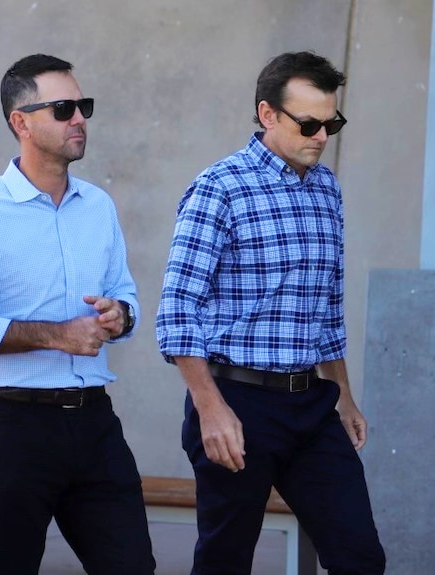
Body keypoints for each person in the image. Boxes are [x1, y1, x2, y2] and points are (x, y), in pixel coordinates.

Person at [156, 51, 386, 575]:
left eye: (332, 123)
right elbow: (176, 312)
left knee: (360, 557)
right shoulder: (220, 188)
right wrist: (210, 409)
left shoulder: (327, 189)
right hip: (238, 401)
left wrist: (344, 397)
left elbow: (328, 307)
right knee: (226, 561)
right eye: (309, 123)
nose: (322, 135)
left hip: (311, 404)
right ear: (267, 115)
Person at [0, 53, 155, 575]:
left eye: (82, 106)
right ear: (20, 123)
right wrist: (57, 336)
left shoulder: (99, 206)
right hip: (10, 427)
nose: (79, 119)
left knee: (133, 566)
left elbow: (126, 294)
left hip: (93, 422)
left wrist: (121, 316)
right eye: (64, 108)